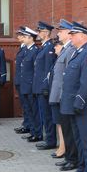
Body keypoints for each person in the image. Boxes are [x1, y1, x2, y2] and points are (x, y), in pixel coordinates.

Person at [61, 22, 87, 172]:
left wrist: (79, 101)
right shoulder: (78, 52)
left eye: (73, 34)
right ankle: (81, 168)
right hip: (75, 106)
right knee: (79, 140)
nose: (71, 37)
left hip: (85, 106)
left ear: (83, 36)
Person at [53, 19, 78, 171]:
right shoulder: (66, 49)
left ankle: (72, 158)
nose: (58, 33)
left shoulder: (70, 50)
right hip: (63, 96)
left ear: (69, 34)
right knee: (67, 128)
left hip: (67, 96)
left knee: (70, 129)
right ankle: (70, 157)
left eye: (61, 31)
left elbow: (69, 76)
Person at [33, 21, 57, 150]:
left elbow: (49, 70)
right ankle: (48, 138)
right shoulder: (43, 47)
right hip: (39, 87)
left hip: (44, 88)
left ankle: (51, 140)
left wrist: (46, 87)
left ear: (46, 33)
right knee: (44, 114)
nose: (38, 33)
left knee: (47, 115)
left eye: (39, 31)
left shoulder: (49, 48)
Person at [17, 27, 41, 142]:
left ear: (31, 38)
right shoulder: (26, 50)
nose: (24, 38)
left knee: (34, 110)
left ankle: (37, 133)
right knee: (29, 110)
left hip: (31, 86)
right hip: (25, 85)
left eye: (26, 37)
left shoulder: (35, 51)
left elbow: (36, 71)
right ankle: (32, 131)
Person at [48, 37, 65, 158]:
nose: (54, 48)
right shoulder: (58, 58)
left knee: (62, 123)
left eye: (57, 45)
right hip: (55, 95)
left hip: (60, 96)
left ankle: (63, 147)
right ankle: (61, 146)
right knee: (58, 123)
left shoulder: (65, 56)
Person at [13, 26, 31, 134]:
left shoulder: (26, 49)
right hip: (20, 80)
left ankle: (27, 125)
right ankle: (26, 123)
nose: (19, 37)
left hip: (24, 81)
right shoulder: (22, 47)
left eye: (21, 35)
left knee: (27, 106)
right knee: (24, 105)